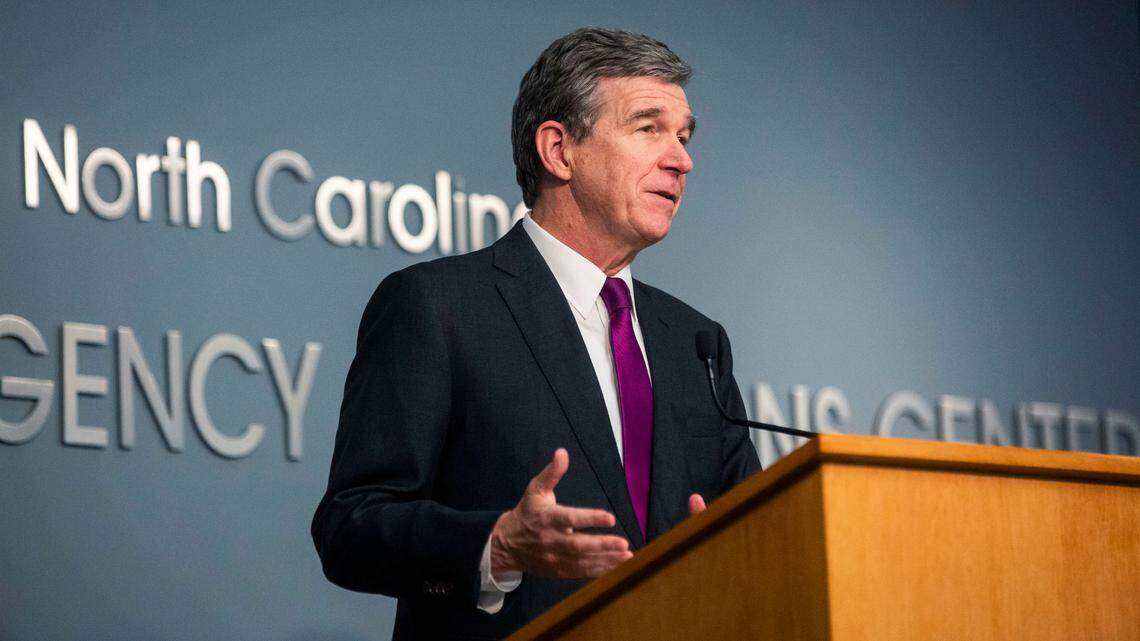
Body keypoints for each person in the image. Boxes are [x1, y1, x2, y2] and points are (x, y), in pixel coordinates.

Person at [312, 27, 760, 640]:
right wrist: (495, 546)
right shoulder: (439, 307)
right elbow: (351, 527)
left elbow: (759, 536)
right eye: (648, 127)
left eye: (683, 136)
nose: (681, 158)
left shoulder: (695, 342)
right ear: (558, 150)